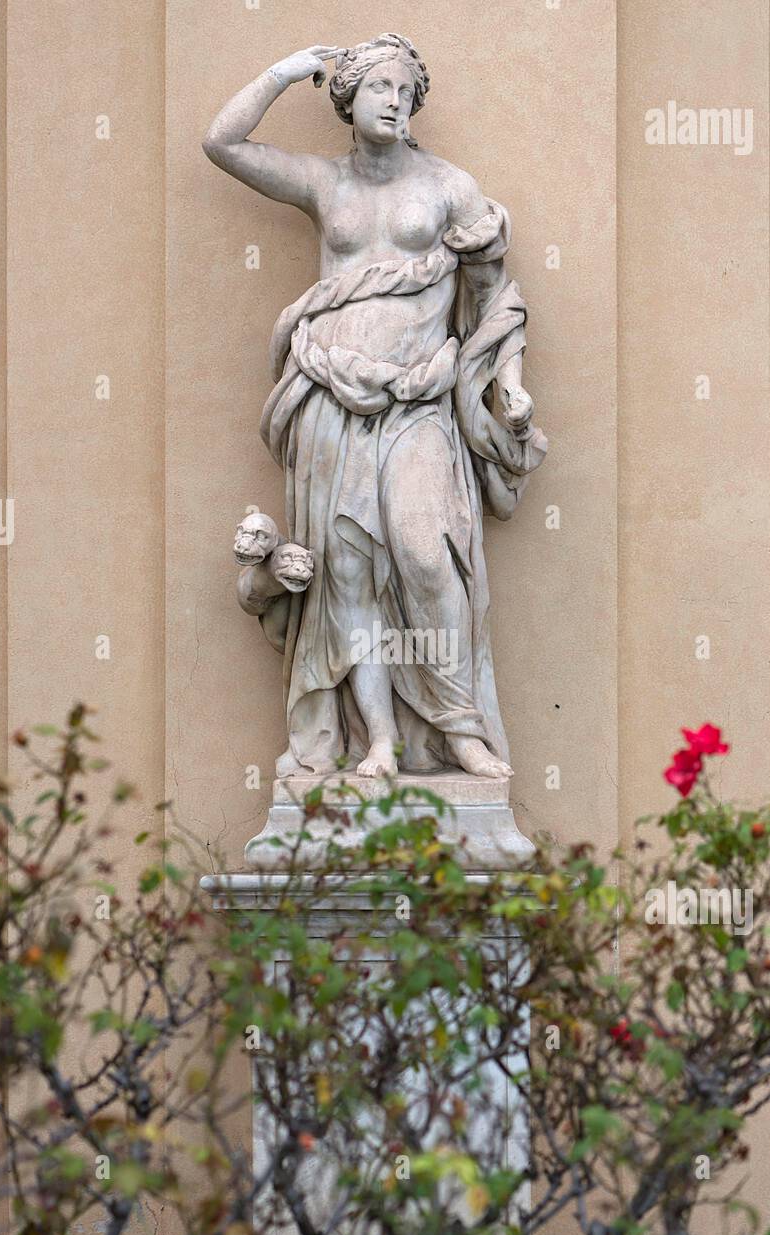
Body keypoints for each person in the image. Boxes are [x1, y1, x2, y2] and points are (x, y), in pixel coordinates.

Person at [204, 34, 546, 778]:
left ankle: (458, 728)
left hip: (418, 399)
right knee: (344, 577)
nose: (395, 101)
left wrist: (509, 383)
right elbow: (222, 143)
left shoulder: (449, 186)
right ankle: (381, 742)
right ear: (348, 99)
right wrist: (283, 71)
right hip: (328, 397)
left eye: (404, 90)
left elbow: (495, 299)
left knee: (428, 555)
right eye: (380, 88)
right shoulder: (325, 184)